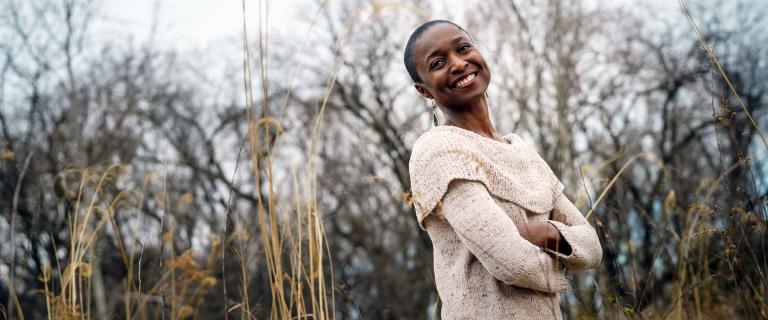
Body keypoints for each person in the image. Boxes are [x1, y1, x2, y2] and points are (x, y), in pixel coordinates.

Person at [404, 20, 603, 319]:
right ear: (424, 90)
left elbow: (592, 247)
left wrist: (546, 232)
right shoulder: (438, 151)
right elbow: (511, 262)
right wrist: (562, 253)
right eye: (438, 62)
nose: (458, 63)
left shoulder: (524, 153)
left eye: (463, 48)